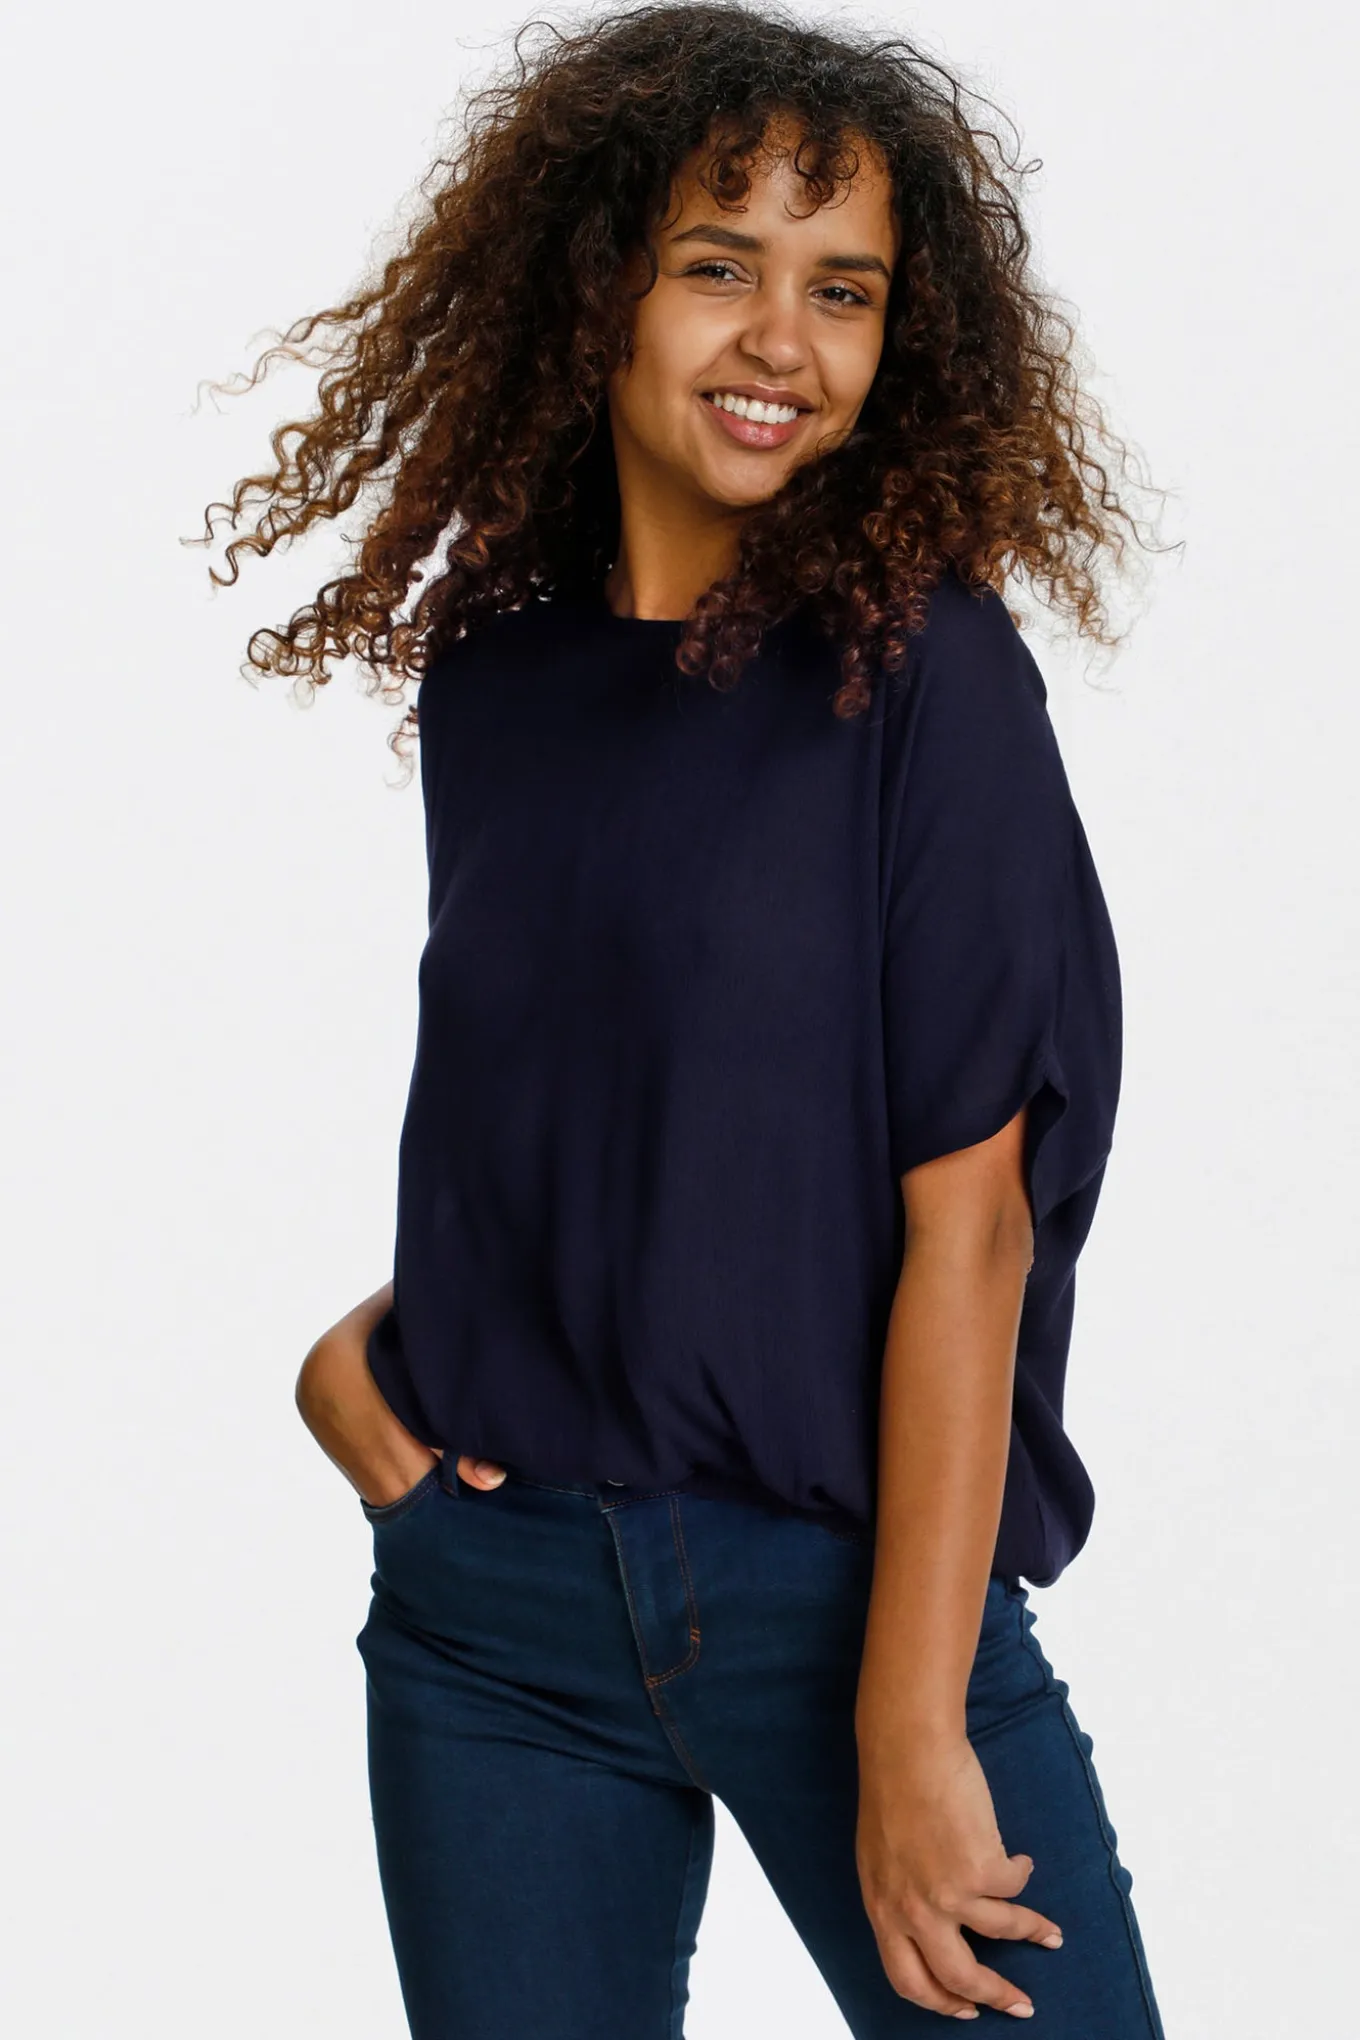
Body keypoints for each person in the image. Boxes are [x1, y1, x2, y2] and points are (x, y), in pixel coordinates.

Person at [207, 6, 1169, 2032]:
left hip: (846, 1601)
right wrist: (361, 1376)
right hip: (493, 1632)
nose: (780, 341)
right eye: (720, 265)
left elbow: (971, 1229)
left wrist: (912, 1724)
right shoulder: (497, 673)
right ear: (600, 288)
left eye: (845, 290)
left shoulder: (922, 674)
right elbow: (597, 1110)